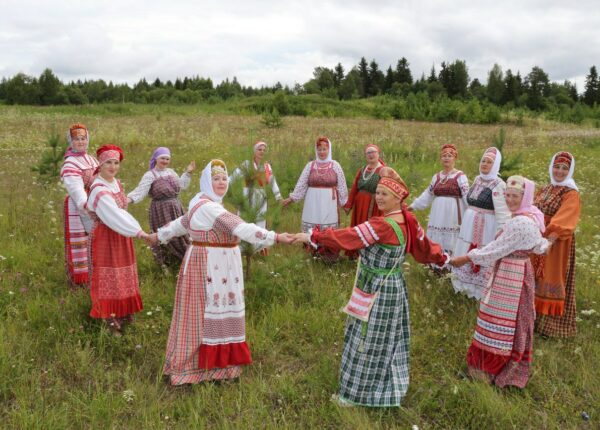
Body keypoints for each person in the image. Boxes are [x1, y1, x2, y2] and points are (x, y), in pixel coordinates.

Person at [293, 167, 448, 407]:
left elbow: (349, 236)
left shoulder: (382, 225)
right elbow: (426, 248)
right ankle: (384, 384)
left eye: (385, 194)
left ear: (398, 198)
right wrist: (443, 260)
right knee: (387, 339)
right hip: (394, 286)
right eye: (378, 192)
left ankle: (356, 395)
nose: (379, 197)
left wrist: (314, 236)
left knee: (365, 339)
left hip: (376, 288)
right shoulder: (408, 221)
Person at [148, 160, 293, 385]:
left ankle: (205, 367)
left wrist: (158, 235)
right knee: (205, 313)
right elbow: (241, 227)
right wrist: (275, 237)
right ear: (207, 180)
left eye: (224, 178)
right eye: (216, 179)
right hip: (211, 266)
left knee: (199, 314)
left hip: (212, 264)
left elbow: (179, 224)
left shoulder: (200, 202)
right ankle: (199, 368)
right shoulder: (209, 208)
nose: (221, 182)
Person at [450, 176, 549, 388]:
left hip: (510, 274)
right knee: (511, 318)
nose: (510, 200)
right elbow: (539, 245)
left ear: (526, 197)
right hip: (518, 269)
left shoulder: (521, 222)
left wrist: (465, 258)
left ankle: (490, 367)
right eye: (508, 196)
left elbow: (495, 249)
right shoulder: (530, 215)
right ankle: (496, 363)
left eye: (515, 196)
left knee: (498, 317)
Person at [86, 145, 150, 336]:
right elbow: (115, 215)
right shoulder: (98, 189)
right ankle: (111, 321)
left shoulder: (116, 183)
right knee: (110, 278)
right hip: (106, 237)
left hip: (121, 236)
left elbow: (123, 209)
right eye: (108, 163)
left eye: (116, 163)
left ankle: (124, 313)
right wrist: (140, 233)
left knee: (124, 276)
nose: (113, 167)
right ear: (101, 164)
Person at [451, 147, 511, 299]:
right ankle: (462, 287)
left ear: (496, 165)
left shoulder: (498, 184)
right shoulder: (478, 180)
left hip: (486, 228)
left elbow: (503, 213)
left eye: (489, 162)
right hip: (469, 226)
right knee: (465, 249)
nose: (484, 164)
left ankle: (477, 292)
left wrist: (500, 236)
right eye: (483, 161)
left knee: (481, 253)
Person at [532, 152, 581, 337]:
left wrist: (549, 241)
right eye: (557, 166)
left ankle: (550, 328)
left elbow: (565, 218)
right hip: (537, 238)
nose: (559, 171)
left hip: (555, 242)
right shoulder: (545, 188)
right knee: (535, 276)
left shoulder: (570, 193)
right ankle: (531, 320)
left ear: (570, 171)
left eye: (564, 168)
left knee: (549, 278)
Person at [282, 136, 348, 262]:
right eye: (319, 149)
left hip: (329, 202)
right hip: (312, 203)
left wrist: (346, 203)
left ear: (329, 149)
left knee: (328, 228)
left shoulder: (335, 165)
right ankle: (314, 252)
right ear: (316, 150)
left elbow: (342, 185)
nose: (322, 152)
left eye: (324, 149)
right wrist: (291, 199)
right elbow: (301, 184)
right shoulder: (310, 166)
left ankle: (329, 254)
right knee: (313, 226)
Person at [127, 147, 195, 266]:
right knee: (165, 235)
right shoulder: (150, 175)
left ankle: (184, 259)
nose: (165, 161)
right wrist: (128, 199)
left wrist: (188, 172)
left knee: (180, 231)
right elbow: (141, 191)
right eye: (162, 158)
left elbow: (182, 186)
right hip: (160, 210)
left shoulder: (171, 172)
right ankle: (166, 263)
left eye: (167, 159)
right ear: (156, 158)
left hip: (176, 207)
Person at [409, 143, 469, 255]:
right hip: (438, 213)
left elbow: (466, 195)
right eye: (444, 156)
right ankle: (437, 264)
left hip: (453, 213)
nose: (446, 158)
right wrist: (413, 206)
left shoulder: (460, 176)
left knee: (452, 238)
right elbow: (428, 194)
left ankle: (451, 265)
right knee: (437, 237)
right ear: (441, 158)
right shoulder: (436, 177)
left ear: (455, 158)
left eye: (449, 156)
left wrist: (472, 212)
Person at [60, 123, 99, 287]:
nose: (81, 142)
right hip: (79, 206)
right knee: (81, 242)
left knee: (96, 239)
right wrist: (85, 204)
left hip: (95, 201)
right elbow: (75, 188)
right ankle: (80, 280)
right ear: (71, 141)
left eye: (83, 138)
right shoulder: (70, 163)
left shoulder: (91, 158)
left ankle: (96, 273)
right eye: (77, 139)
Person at [229, 141, 282, 254]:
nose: (262, 152)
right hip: (247, 194)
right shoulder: (247, 164)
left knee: (260, 220)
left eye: (264, 150)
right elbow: (234, 176)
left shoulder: (267, 166)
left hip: (261, 196)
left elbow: (272, 181)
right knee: (244, 219)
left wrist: (278, 196)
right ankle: (242, 247)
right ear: (254, 151)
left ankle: (257, 248)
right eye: (259, 149)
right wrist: (224, 185)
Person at [343, 144, 385, 258]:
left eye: (373, 152)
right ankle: (356, 253)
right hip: (360, 205)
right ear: (365, 156)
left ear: (378, 153)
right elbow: (355, 188)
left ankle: (370, 255)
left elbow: (389, 189)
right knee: (358, 228)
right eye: (368, 153)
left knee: (370, 230)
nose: (371, 155)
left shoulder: (383, 170)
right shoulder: (362, 170)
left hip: (374, 205)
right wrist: (349, 204)